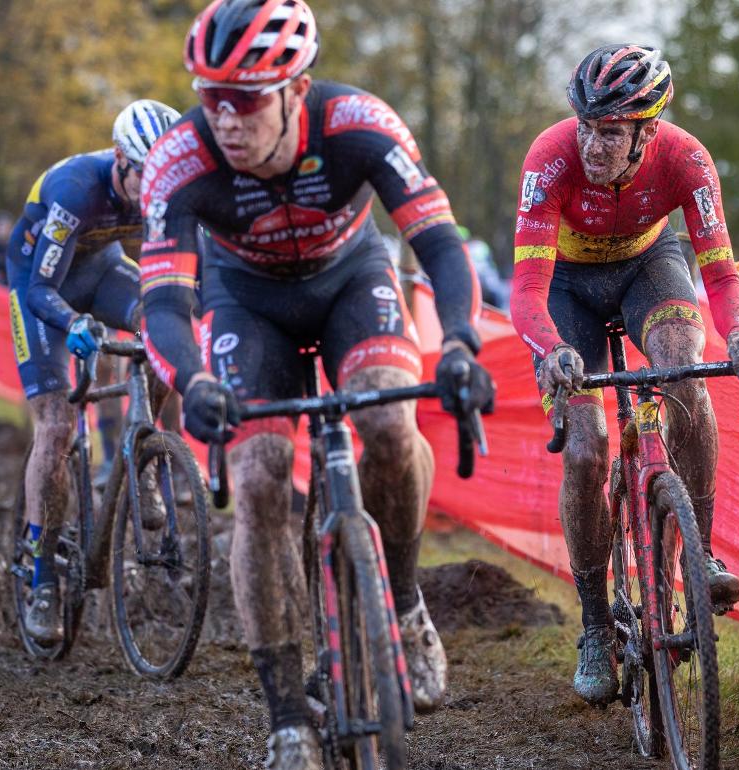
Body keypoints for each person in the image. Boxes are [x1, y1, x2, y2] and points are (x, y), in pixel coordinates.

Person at [138, 1, 493, 765]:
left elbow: (437, 241)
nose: (226, 120)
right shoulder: (181, 160)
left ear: (297, 91)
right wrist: (193, 379)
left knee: (393, 429)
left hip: (350, 281)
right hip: (246, 302)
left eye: (246, 100)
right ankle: (285, 716)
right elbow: (163, 303)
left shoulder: (359, 124)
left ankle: (403, 606)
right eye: (210, 98)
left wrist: (462, 342)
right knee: (261, 476)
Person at [510, 44, 739, 706]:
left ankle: (700, 556)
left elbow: (721, 272)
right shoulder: (551, 157)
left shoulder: (685, 158)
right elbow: (525, 292)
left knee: (685, 367)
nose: (594, 145)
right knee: (585, 448)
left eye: (611, 132)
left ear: (646, 131)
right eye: (587, 126)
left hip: (648, 265)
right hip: (565, 285)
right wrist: (550, 348)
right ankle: (596, 627)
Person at [5, 99, 180, 643]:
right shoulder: (76, 190)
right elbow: (40, 288)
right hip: (40, 289)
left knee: (163, 326)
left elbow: (172, 270)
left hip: (101, 272)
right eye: (144, 176)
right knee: (56, 427)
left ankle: (144, 455)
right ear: (120, 161)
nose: (153, 190)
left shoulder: (162, 191)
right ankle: (42, 582)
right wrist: (73, 322)